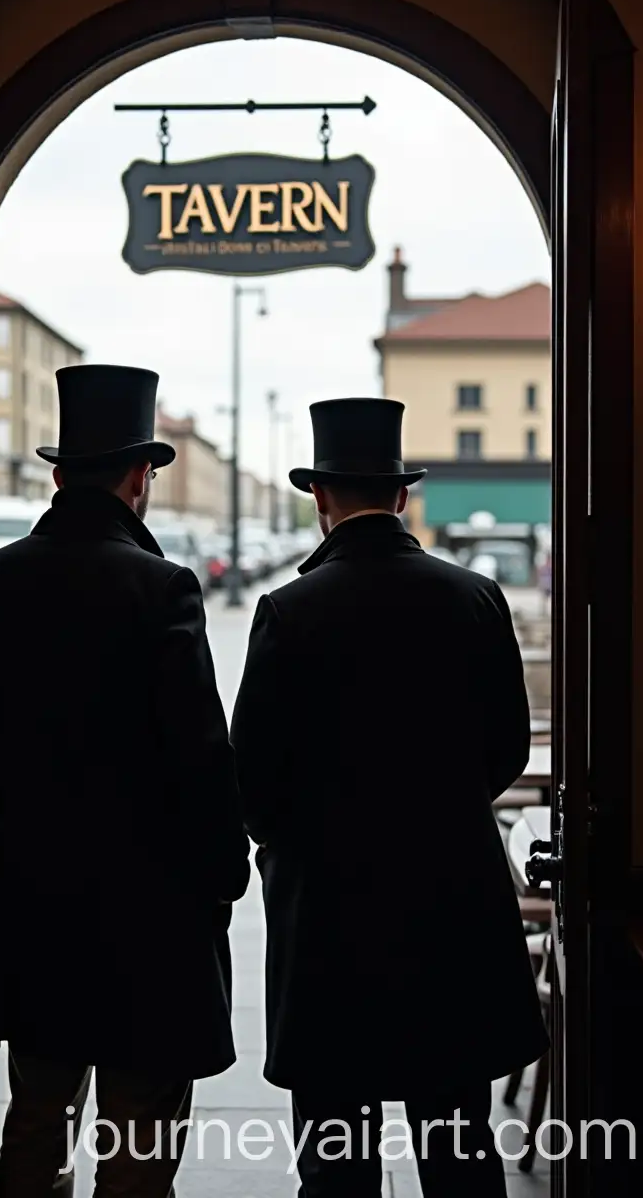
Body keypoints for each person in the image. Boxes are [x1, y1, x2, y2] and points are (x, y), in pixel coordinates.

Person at [0, 365, 251, 1198]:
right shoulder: (162, 587)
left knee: (38, 1113)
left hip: (36, 890)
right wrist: (224, 873)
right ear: (139, 475)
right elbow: (200, 754)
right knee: (140, 1125)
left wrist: (44, 781)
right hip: (151, 899)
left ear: (58, 472)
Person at [230, 398, 549, 1197]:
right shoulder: (475, 598)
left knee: (337, 1158)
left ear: (320, 498)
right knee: (458, 1149)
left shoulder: (288, 610)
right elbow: (507, 748)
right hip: (451, 904)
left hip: (330, 917)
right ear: (402, 497)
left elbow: (253, 776)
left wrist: (289, 849)